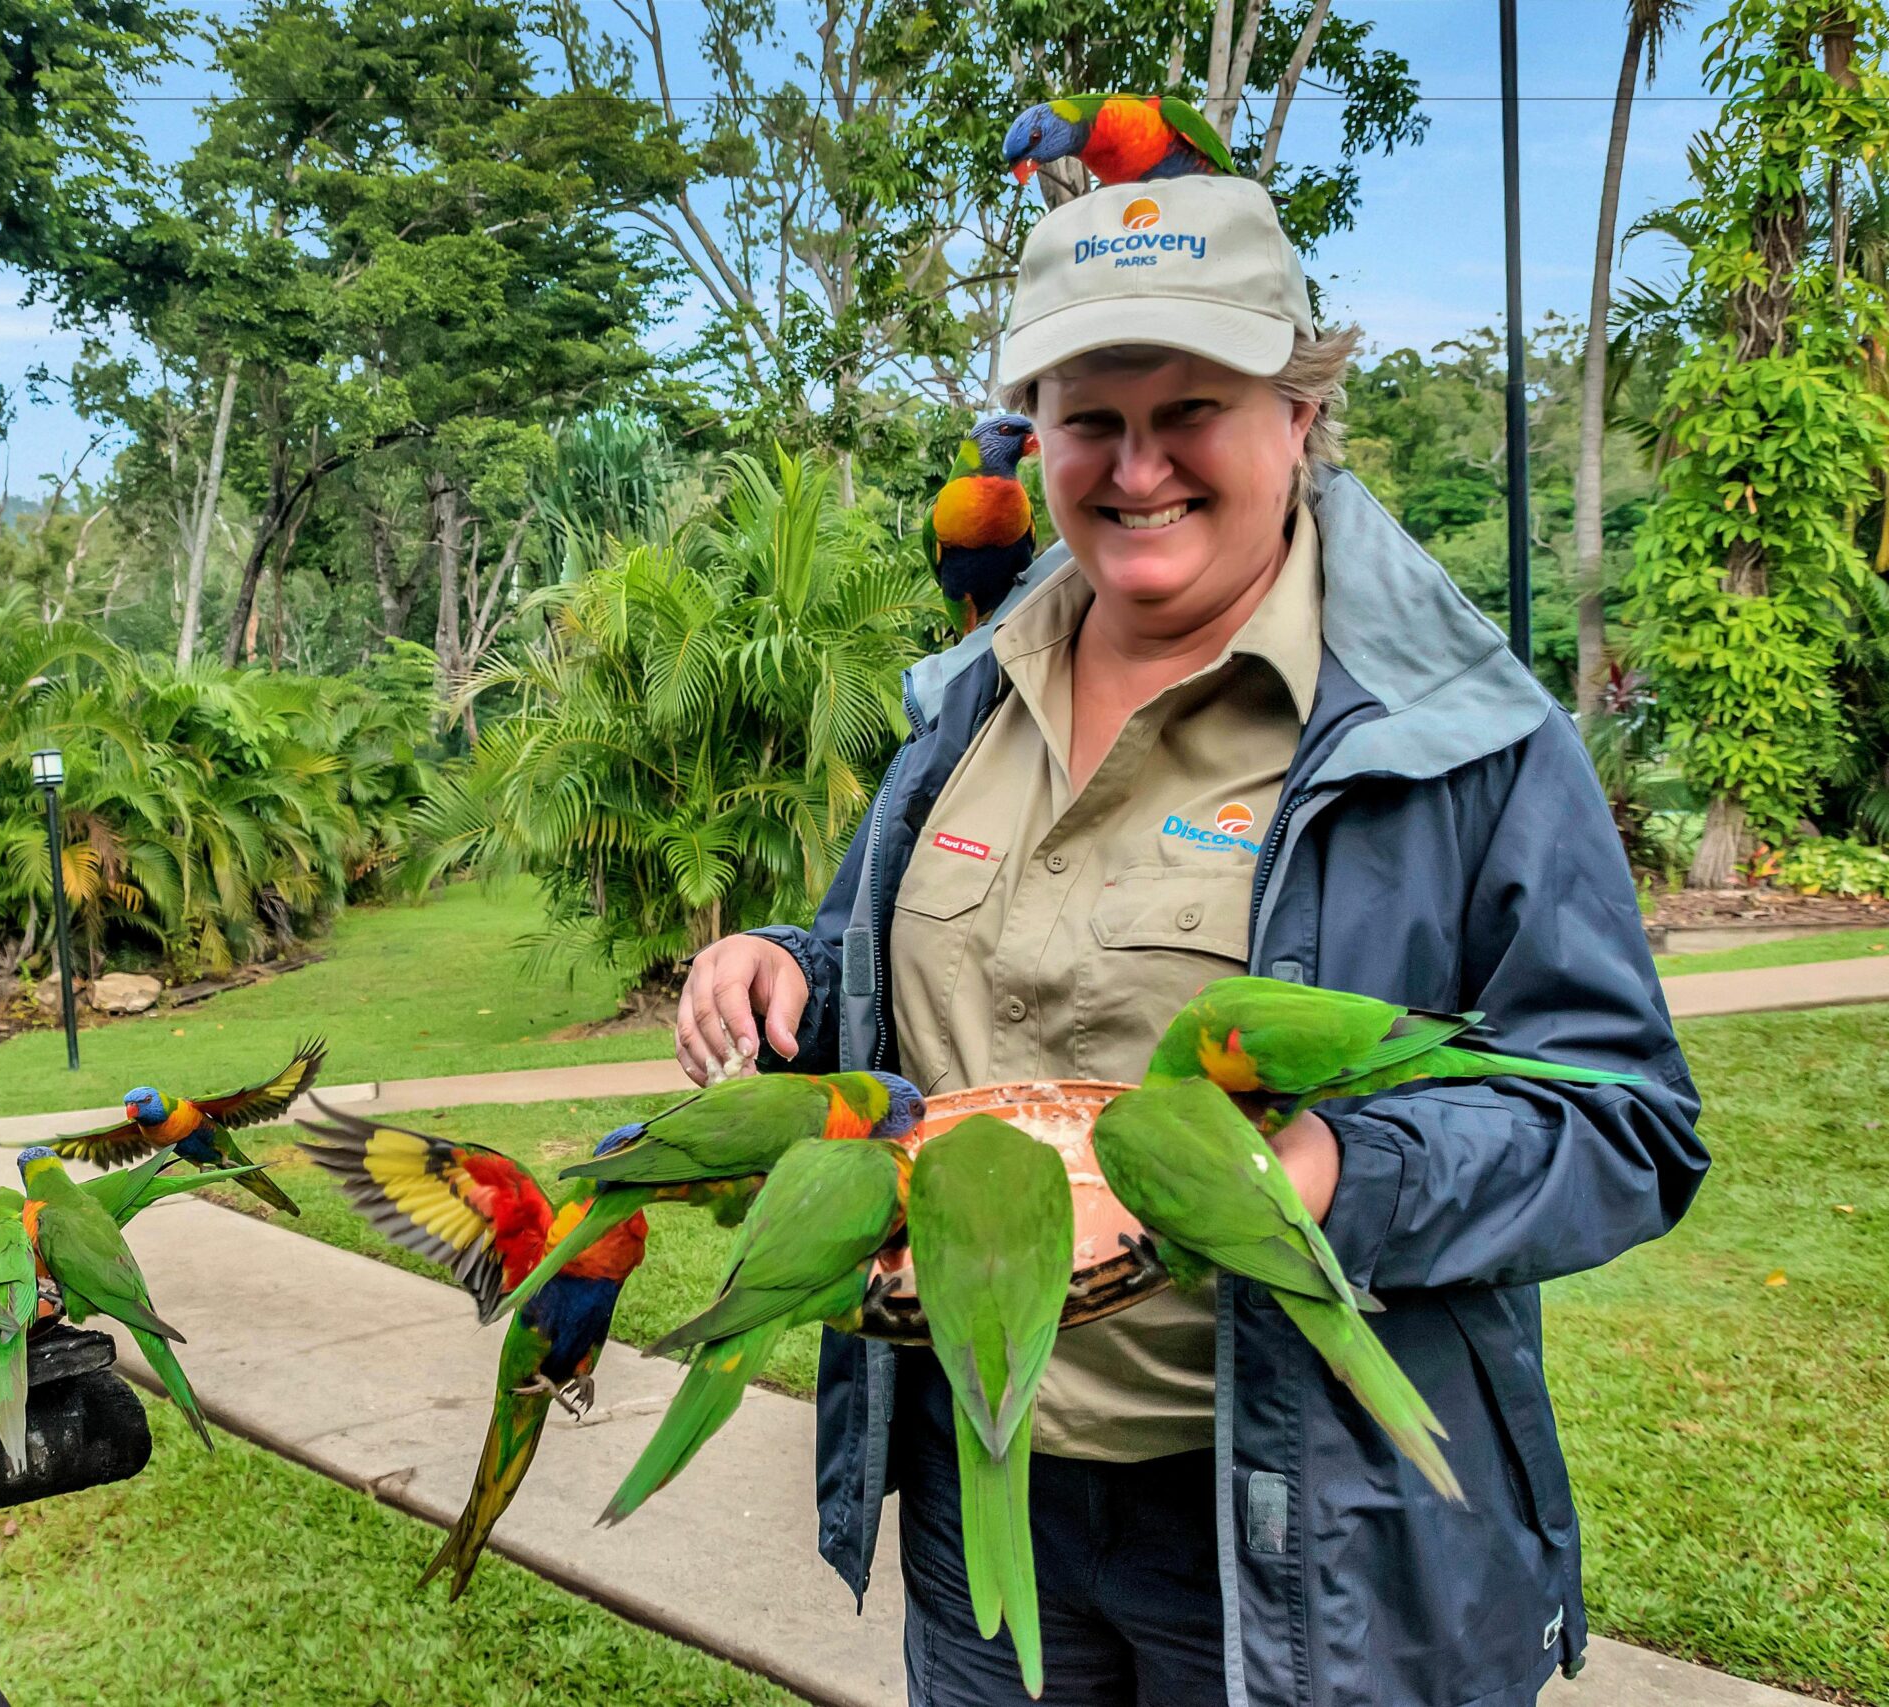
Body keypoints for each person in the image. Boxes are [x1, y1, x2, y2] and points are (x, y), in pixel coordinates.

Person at [674, 174, 1708, 1707]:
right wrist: (782, 969)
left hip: (1304, 1536)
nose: (1138, 465)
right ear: (1037, 435)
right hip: (987, 1484)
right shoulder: (964, 704)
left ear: (1299, 409)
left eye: (1194, 408)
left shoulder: (1463, 741)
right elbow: (899, 981)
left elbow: (1624, 1123)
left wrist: (1322, 1181)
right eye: (1091, 415)